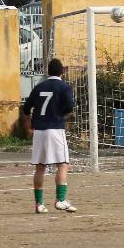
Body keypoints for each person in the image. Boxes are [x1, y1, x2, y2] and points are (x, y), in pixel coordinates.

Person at [22, 58, 77, 213]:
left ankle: (39, 204)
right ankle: (60, 200)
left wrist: (28, 126)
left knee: (40, 167)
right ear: (62, 71)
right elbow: (69, 108)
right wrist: (62, 116)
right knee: (62, 164)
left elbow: (26, 109)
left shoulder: (39, 87)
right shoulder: (64, 87)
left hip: (39, 131)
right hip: (55, 130)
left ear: (48, 71)